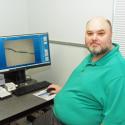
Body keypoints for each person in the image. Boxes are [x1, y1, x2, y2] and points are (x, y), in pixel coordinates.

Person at [33, 17, 125, 125]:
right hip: (55, 114)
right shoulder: (94, 55)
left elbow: (115, 121)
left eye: (101, 33)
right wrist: (64, 90)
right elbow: (87, 86)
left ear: (111, 35)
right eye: (89, 33)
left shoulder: (119, 72)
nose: (94, 38)